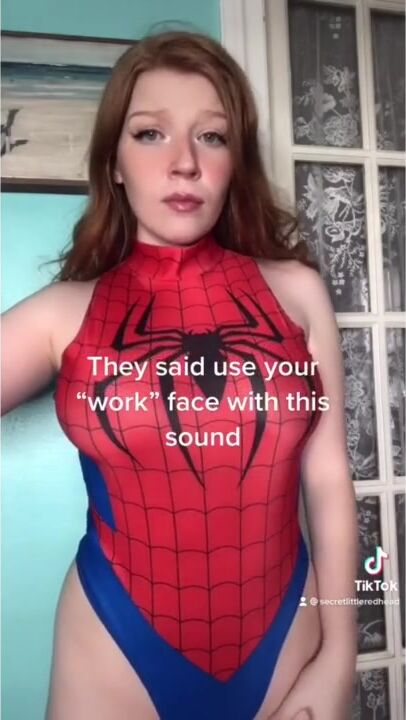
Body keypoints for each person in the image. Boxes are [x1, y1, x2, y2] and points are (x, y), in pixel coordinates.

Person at [1, 29, 359, 720]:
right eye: (150, 134)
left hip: (288, 644)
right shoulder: (63, 314)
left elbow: (328, 481)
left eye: (212, 137)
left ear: (235, 161)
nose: (185, 163)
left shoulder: (297, 294)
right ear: (114, 162)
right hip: (112, 654)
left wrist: (340, 654)